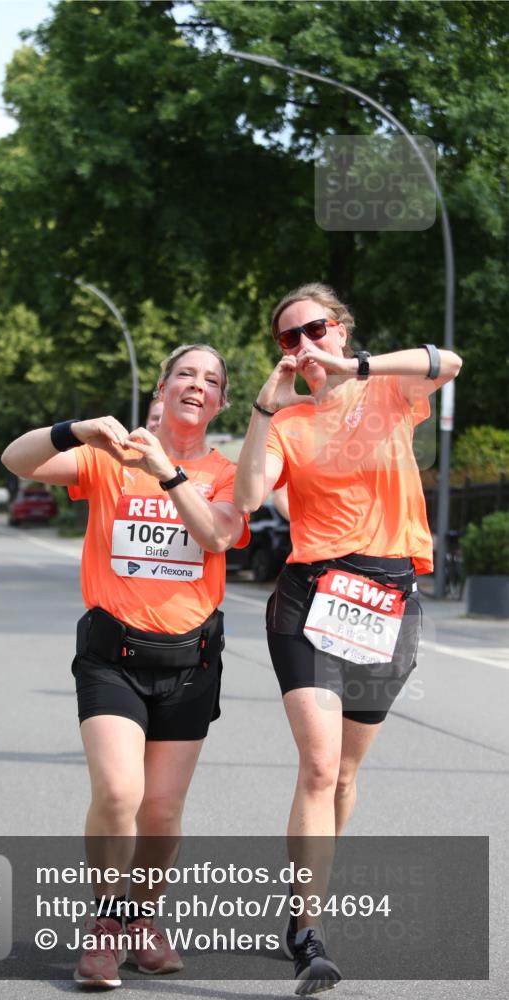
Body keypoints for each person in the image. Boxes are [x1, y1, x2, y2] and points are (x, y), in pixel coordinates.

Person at [234, 283, 462, 995]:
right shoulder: (289, 425)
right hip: (310, 600)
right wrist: (262, 410)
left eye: (312, 329)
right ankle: (308, 932)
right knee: (317, 765)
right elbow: (244, 500)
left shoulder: (386, 392)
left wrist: (357, 369)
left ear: (339, 330)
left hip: (387, 601)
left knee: (344, 776)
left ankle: (306, 904)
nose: (302, 345)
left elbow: (446, 361)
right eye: (286, 338)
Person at [2, 344, 249, 989]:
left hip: (191, 661)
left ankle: (141, 919)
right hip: (113, 657)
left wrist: (170, 473)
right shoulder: (111, 460)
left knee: (162, 811)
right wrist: (79, 430)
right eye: (186, 375)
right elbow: (17, 460)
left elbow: (218, 536)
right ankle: (108, 928)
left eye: (212, 380)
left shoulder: (226, 471)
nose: (198, 385)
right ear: (161, 391)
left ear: (220, 402)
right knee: (119, 793)